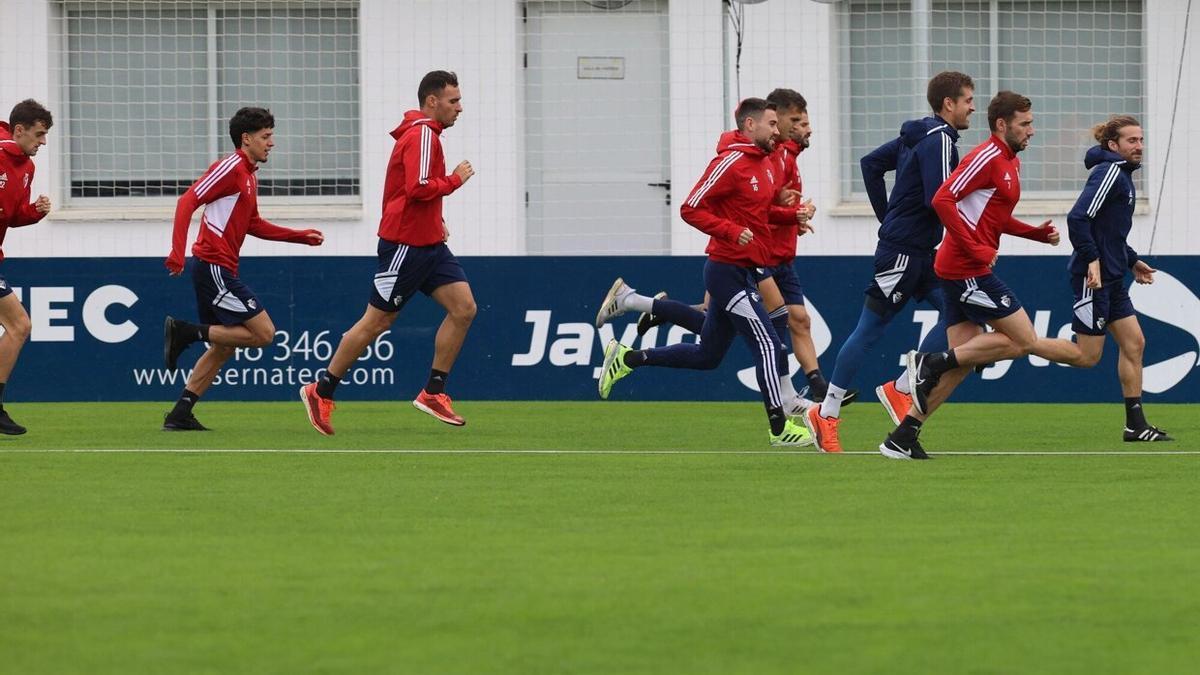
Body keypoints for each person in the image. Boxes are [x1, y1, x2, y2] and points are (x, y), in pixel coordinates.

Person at [597, 88, 841, 417]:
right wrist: (731, 231)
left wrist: (791, 216)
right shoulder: (736, 161)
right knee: (775, 328)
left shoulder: (770, 161)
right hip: (734, 264)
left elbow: (761, 212)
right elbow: (691, 208)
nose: (780, 130)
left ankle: (628, 348)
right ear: (754, 124)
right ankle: (784, 412)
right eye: (780, 122)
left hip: (756, 260)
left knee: (708, 353)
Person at [896, 91, 1077, 459]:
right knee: (1024, 340)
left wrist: (1034, 234)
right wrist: (975, 248)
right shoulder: (987, 156)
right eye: (1025, 124)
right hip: (966, 268)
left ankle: (903, 435)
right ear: (1001, 125)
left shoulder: (1011, 161)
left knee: (966, 360)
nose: (1032, 131)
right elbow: (943, 199)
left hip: (963, 267)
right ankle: (930, 361)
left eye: (1031, 123)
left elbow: (993, 218)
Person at [803, 72, 975, 453]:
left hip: (921, 251)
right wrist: (968, 239)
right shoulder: (942, 140)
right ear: (949, 103)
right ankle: (825, 412)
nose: (972, 107)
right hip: (903, 252)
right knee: (870, 330)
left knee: (963, 316)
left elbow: (870, 165)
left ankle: (899, 387)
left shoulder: (918, 136)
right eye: (967, 100)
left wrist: (888, 215)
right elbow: (939, 198)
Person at [301, 70, 476, 435]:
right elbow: (418, 187)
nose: (459, 108)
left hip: (429, 244)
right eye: (453, 101)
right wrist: (455, 180)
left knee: (464, 309)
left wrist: (436, 219)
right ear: (432, 101)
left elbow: (413, 193)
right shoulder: (424, 133)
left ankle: (433, 392)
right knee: (377, 322)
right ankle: (322, 390)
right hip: (405, 247)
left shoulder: (426, 134)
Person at [163, 107, 325, 431]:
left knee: (224, 346)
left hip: (220, 269)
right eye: (266, 136)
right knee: (264, 333)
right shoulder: (231, 167)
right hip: (213, 268)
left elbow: (253, 224)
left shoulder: (249, 176)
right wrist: (176, 252)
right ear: (246, 139)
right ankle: (186, 331)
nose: (272, 143)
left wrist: (298, 237)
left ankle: (180, 413)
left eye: (271, 136)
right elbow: (187, 201)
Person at [1061, 116, 1171, 441]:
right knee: (1086, 356)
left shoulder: (1122, 176)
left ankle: (1135, 426)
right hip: (1092, 278)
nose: (1139, 146)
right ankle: (1015, 343)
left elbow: (1110, 235)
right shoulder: (1109, 172)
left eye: (1140, 140)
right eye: (1131, 141)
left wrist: (1132, 260)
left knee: (1135, 343)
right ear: (1113, 145)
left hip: (1112, 277)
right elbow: (1078, 218)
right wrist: (1092, 260)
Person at [0, 99, 54, 435]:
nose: (43, 142)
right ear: (18, 130)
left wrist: (35, 211)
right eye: (39, 134)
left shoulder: (27, 168)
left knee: (19, 325)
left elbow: (12, 215)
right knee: (19, 324)